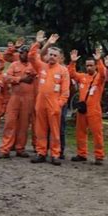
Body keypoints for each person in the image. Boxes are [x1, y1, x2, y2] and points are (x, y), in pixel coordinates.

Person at [29, 32, 69, 166]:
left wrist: (59, 104)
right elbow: (32, 56)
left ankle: (55, 154)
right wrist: (41, 43)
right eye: (50, 54)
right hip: (40, 103)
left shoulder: (63, 70)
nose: (52, 57)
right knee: (40, 129)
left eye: (54, 55)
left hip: (54, 105)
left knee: (55, 131)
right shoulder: (41, 66)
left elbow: (65, 91)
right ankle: (41, 153)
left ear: (59, 58)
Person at [0, 44, 36, 158]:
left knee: (24, 125)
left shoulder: (34, 66)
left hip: (28, 98)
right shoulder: (14, 65)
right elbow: (7, 78)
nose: (23, 54)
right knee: (10, 122)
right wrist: (21, 79)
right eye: (22, 52)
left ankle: (20, 148)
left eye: (26, 52)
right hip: (14, 97)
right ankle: (5, 149)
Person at [68, 48, 106, 165]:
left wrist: (99, 60)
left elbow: (104, 73)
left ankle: (99, 156)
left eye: (91, 65)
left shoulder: (99, 77)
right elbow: (71, 74)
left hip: (94, 110)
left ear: (95, 66)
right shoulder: (82, 77)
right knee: (80, 132)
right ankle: (81, 154)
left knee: (97, 133)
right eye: (87, 66)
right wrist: (73, 62)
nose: (89, 68)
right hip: (82, 109)